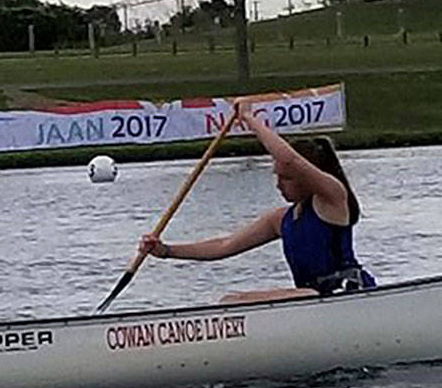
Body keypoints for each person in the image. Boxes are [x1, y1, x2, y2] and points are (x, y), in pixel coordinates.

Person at [139, 100, 375, 303]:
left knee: (238, 302)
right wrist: (167, 251)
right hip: (310, 298)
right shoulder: (280, 219)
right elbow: (224, 246)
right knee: (231, 301)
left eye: (286, 179)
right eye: (277, 178)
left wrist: (249, 119)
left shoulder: (333, 198)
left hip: (345, 294)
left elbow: (289, 161)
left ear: (308, 177)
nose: (279, 185)